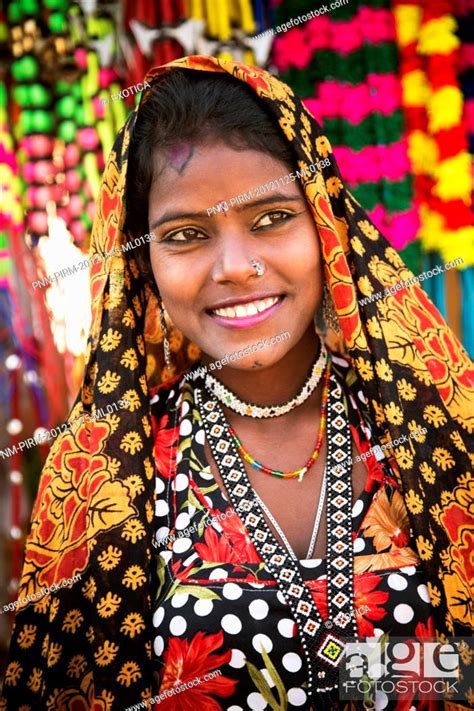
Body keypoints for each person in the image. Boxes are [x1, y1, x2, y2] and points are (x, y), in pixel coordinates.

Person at [1, 56, 472, 711]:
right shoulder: (104, 470)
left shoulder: (423, 425)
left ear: (326, 227)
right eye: (187, 234)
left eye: (272, 218)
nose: (236, 267)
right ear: (144, 264)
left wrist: (353, 678)